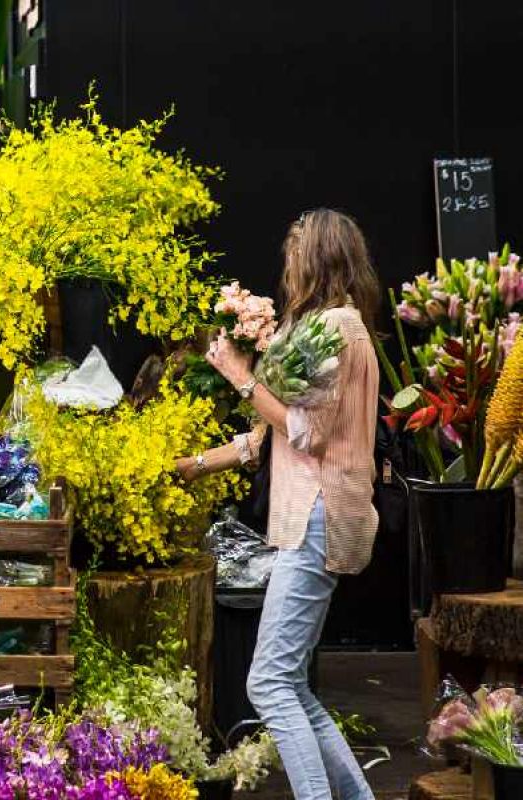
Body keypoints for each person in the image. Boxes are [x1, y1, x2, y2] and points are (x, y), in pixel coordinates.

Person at [176, 208, 380, 800]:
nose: (288, 268)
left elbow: (304, 432)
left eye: (296, 256)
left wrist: (242, 377)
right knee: (290, 681)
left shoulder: (335, 330)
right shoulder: (328, 326)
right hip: (313, 515)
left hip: (316, 515)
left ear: (317, 260)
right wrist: (195, 464)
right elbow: (266, 440)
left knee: (268, 683)